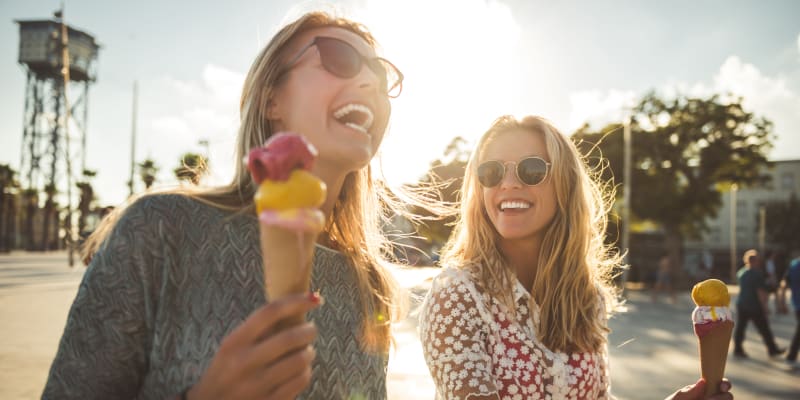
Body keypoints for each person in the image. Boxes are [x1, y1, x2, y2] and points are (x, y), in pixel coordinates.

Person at [43, 11, 407, 399]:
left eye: (381, 76)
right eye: (338, 58)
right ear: (271, 99)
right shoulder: (161, 229)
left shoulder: (369, 283)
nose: (370, 82)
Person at [419, 115, 732, 399]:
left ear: (565, 186)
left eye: (532, 169)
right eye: (491, 171)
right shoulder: (457, 294)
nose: (509, 183)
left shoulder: (586, 295)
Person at [733, 249, 785, 359]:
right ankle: (772, 349)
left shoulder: (741, 272)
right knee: (764, 328)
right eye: (757, 260)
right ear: (754, 261)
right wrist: (765, 307)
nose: (759, 262)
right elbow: (760, 292)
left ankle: (737, 349)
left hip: (742, 304)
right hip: (754, 305)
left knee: (740, 328)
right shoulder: (756, 274)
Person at [781, 251, 800, 365]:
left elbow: (784, 283)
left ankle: (791, 356)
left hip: (797, 303)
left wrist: (782, 301)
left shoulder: (793, 265)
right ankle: (791, 356)